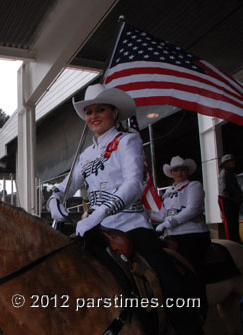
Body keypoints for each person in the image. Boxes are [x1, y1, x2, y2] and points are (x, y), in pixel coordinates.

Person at [47, 83, 203, 334]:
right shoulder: (85, 155)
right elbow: (65, 186)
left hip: (131, 226)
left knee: (171, 286)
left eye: (100, 109)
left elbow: (133, 182)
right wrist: (54, 200)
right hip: (96, 230)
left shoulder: (127, 140)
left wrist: (99, 213)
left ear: (115, 113)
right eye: (89, 111)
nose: (94, 116)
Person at [152, 156, 210, 280]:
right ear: (171, 173)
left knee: (191, 271)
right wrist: (144, 211)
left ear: (187, 171)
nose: (180, 173)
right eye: (176, 170)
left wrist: (168, 224)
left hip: (193, 234)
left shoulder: (194, 185)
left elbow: (192, 210)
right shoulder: (168, 192)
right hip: (173, 236)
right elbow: (163, 215)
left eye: (183, 169)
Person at [218, 154, 243, 244]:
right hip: (227, 202)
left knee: (234, 224)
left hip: (231, 202)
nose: (233, 162)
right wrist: (233, 200)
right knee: (230, 225)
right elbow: (225, 189)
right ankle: (232, 242)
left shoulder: (230, 173)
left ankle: (235, 241)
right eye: (231, 161)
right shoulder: (225, 173)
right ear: (226, 163)